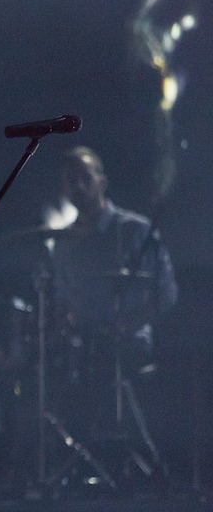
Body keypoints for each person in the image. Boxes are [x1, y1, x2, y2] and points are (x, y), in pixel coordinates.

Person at [46, 146, 177, 478]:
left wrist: (125, 324)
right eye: (70, 180)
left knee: (104, 364)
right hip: (82, 345)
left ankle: (150, 466)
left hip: (128, 341)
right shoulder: (63, 242)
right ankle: (73, 467)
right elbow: (61, 300)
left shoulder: (135, 231)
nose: (77, 186)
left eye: (84, 178)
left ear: (102, 181)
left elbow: (166, 294)